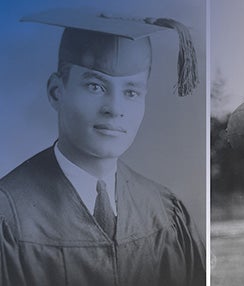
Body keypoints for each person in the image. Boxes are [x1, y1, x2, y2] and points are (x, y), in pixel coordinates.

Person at [0, 8, 205, 286]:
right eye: (95, 86)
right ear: (56, 92)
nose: (115, 109)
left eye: (131, 92)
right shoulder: (8, 217)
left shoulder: (165, 211)